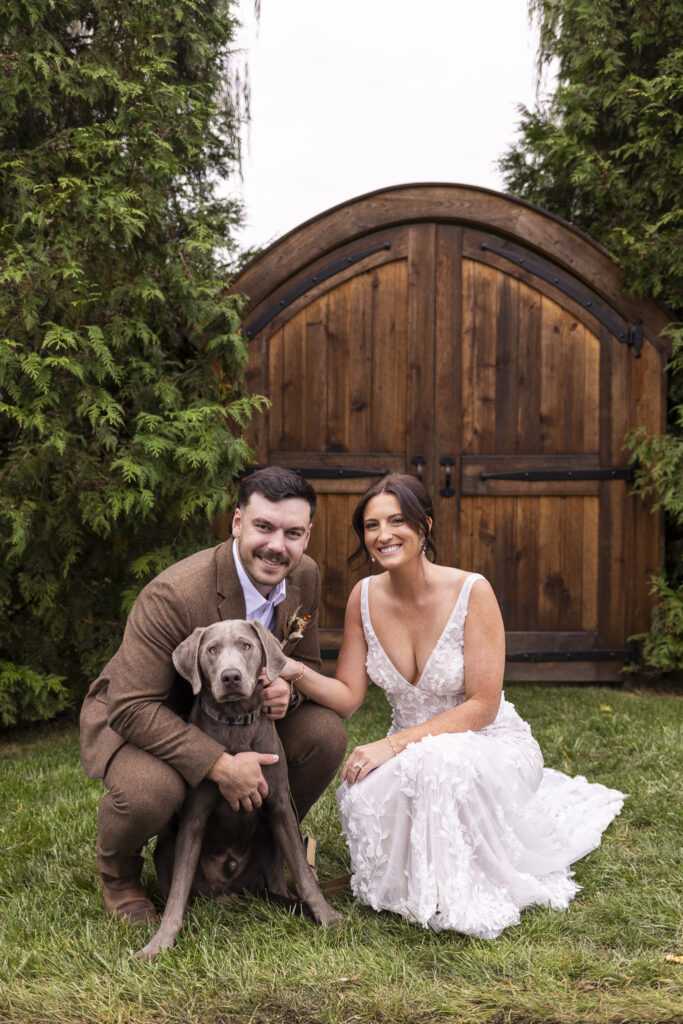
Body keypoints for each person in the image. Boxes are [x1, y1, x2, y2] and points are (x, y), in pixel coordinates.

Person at [279, 473, 625, 938]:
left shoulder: (472, 592)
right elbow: (347, 697)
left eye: (397, 520)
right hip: (414, 751)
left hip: (485, 740)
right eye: (371, 525)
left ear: (424, 524)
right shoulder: (363, 597)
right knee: (362, 796)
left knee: (441, 765)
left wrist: (393, 745)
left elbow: (482, 706)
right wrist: (289, 668)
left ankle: (450, 893)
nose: (383, 535)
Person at [80, 467, 348, 924]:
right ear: (237, 522)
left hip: (240, 712)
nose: (277, 545)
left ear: (307, 534)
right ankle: (120, 876)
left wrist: (288, 693)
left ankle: (257, 844)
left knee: (325, 733)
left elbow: (307, 667)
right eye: (263, 527)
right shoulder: (174, 594)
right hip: (152, 712)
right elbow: (132, 707)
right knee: (151, 790)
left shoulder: (304, 575)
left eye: (293, 532)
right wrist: (221, 766)